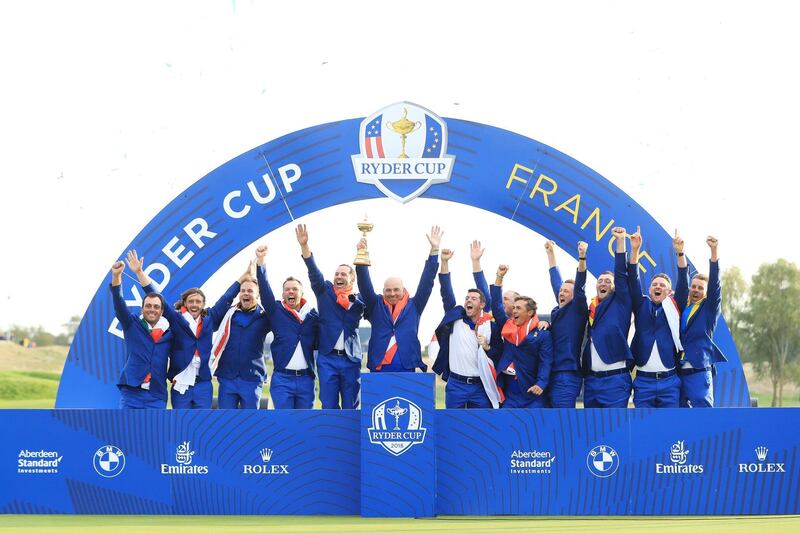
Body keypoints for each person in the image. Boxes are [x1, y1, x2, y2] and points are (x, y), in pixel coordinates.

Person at [125, 250, 247, 409]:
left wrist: (242, 279)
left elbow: (226, 298)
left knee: (202, 424)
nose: (194, 305)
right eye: (191, 301)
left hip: (203, 384)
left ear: (203, 304)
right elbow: (156, 295)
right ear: (184, 303)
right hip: (180, 383)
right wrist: (139, 272)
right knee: (181, 425)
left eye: (198, 302)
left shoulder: (209, 319)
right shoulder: (177, 319)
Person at [356, 226, 442, 372]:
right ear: (383, 291)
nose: (392, 293)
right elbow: (364, 283)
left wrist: (434, 251)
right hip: (379, 367)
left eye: (396, 290)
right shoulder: (375, 304)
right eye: (388, 290)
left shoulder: (415, 305)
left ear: (403, 290)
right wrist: (361, 256)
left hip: (407, 366)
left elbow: (427, 282)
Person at [432, 246, 503, 408]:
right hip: (456, 385)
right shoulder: (455, 318)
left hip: (481, 386)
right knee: (452, 426)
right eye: (467, 298)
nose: (468, 301)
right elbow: (446, 292)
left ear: (483, 305)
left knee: (479, 429)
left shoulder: (489, 326)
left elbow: (497, 353)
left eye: (474, 298)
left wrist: (486, 347)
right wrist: (444, 262)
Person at [255, 244, 319, 409]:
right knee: (284, 424)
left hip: (306, 380)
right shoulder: (276, 310)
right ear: (283, 294)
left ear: (302, 293)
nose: (291, 292)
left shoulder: (312, 315)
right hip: (283, 379)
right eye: (287, 290)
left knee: (306, 424)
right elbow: (264, 288)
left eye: (295, 289)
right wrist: (261, 262)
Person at [627, 228, 682, 408]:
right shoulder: (642, 304)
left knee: (670, 430)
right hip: (643, 381)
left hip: (670, 380)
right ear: (650, 289)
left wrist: (680, 253)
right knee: (643, 429)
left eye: (662, 285)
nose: (657, 287)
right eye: (654, 284)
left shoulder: (674, 308)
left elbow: (684, 284)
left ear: (669, 291)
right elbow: (633, 280)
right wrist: (635, 250)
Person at [581, 227, 633, 408]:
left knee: (614, 430)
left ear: (614, 287)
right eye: (600, 281)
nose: (602, 283)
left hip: (615, 380)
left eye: (607, 281)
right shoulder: (592, 307)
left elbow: (621, 273)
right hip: (591, 380)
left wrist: (620, 242)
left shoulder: (621, 302)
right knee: (591, 431)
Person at [109, 260, 172, 409]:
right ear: (142, 308)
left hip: (157, 394)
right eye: (148, 306)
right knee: (126, 431)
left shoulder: (170, 331)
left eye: (156, 307)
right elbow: (118, 303)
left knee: (154, 432)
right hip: (132, 392)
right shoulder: (132, 324)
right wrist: (116, 276)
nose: (152, 309)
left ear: (162, 311)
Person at [211, 258, 271, 409]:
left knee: (250, 423)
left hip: (251, 379)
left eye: (250, 291)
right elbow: (223, 301)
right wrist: (240, 280)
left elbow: (269, 298)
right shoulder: (228, 315)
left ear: (258, 295)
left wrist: (260, 267)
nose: (246, 293)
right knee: (227, 422)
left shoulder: (265, 317)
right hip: (227, 378)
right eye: (243, 291)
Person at [491, 265, 553, 408]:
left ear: (530, 312)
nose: (514, 311)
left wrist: (541, 383)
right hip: (510, 393)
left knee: (535, 429)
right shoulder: (507, 326)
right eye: (513, 308)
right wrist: (499, 277)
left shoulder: (542, 334)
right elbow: (496, 305)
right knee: (507, 428)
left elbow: (546, 362)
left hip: (533, 392)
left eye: (518, 308)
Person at [675, 233, 725, 407]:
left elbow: (715, 286)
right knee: (679, 418)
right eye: (693, 287)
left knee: (703, 416)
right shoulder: (683, 308)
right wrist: (680, 253)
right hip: (679, 372)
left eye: (700, 288)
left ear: (706, 292)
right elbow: (682, 281)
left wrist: (713, 252)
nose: (695, 290)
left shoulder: (709, 309)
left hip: (699, 371)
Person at [543, 240, 588, 408]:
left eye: (566, 291)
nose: (561, 292)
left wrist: (582, 258)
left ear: (574, 296)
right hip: (550, 373)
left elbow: (580, 284)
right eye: (561, 291)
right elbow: (556, 281)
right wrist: (550, 254)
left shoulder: (577, 310)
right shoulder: (558, 309)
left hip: (566, 375)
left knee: (563, 422)